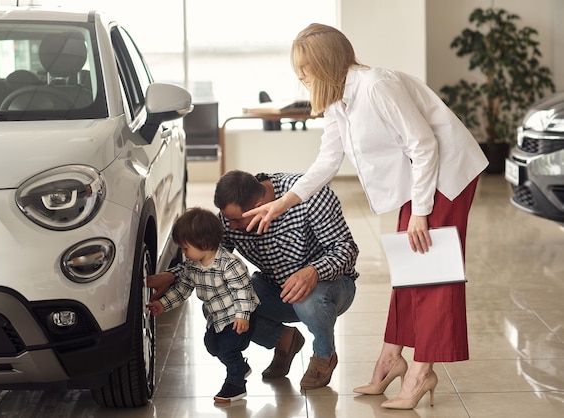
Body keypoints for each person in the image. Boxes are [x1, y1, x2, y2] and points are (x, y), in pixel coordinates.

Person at [242, 23, 489, 410]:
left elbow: (424, 145)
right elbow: (327, 160)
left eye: (305, 67)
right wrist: (282, 202)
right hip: (422, 175)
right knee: (411, 268)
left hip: (446, 172)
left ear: (325, 62)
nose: (301, 76)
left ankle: (422, 374)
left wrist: (420, 213)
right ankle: (391, 360)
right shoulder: (339, 99)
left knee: (433, 274)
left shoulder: (376, 86)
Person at [214, 170, 359, 390]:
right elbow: (211, 261)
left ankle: (324, 355)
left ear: (260, 204)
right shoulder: (230, 217)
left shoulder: (310, 195)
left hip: (331, 287)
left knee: (307, 300)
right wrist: (173, 276)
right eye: (227, 219)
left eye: (235, 220)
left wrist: (313, 271)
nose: (230, 226)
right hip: (275, 289)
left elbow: (347, 249)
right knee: (223, 303)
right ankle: (285, 341)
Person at [146, 207, 259, 403]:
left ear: (204, 243)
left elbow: (243, 292)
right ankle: (238, 366)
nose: (183, 252)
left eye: (185, 248)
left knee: (227, 350)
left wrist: (243, 315)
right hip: (216, 318)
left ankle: (235, 383)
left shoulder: (230, 264)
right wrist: (163, 304)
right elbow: (183, 288)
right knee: (212, 346)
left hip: (238, 316)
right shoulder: (193, 266)